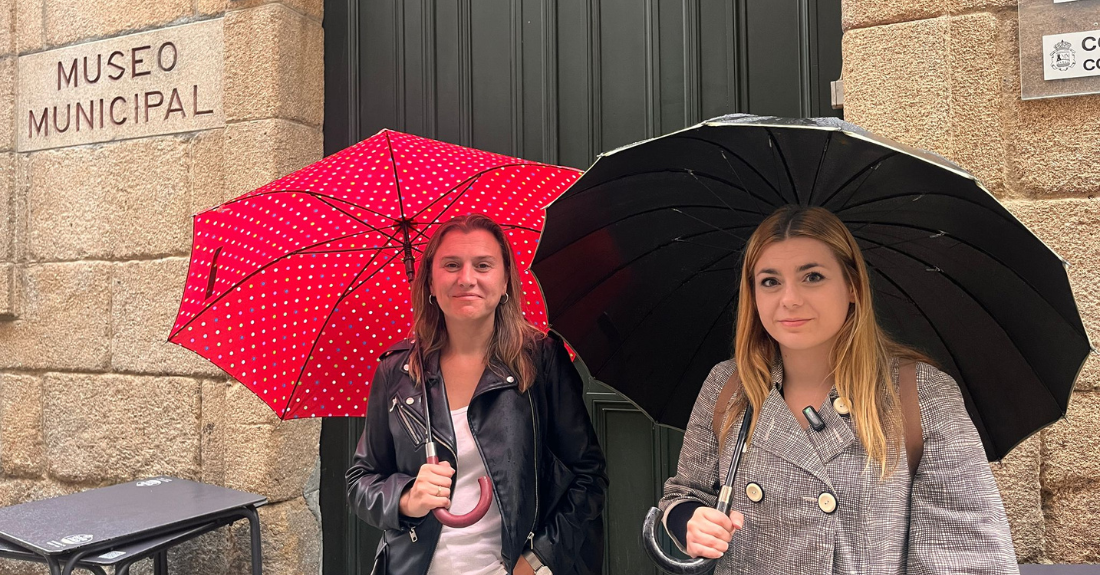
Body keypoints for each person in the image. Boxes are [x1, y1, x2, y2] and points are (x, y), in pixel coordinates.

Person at [658, 205, 1019, 574]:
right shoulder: (729, 385)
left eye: (812, 276)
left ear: (852, 287)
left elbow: (963, 555)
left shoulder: (920, 394)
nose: (790, 299)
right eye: (770, 281)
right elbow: (685, 494)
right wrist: (689, 522)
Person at [347, 214, 607, 575]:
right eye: (451, 265)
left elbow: (587, 475)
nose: (466, 278)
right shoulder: (397, 372)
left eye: (482, 265)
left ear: (505, 282)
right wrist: (406, 497)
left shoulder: (541, 359)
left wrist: (537, 560)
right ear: (430, 283)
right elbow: (362, 480)